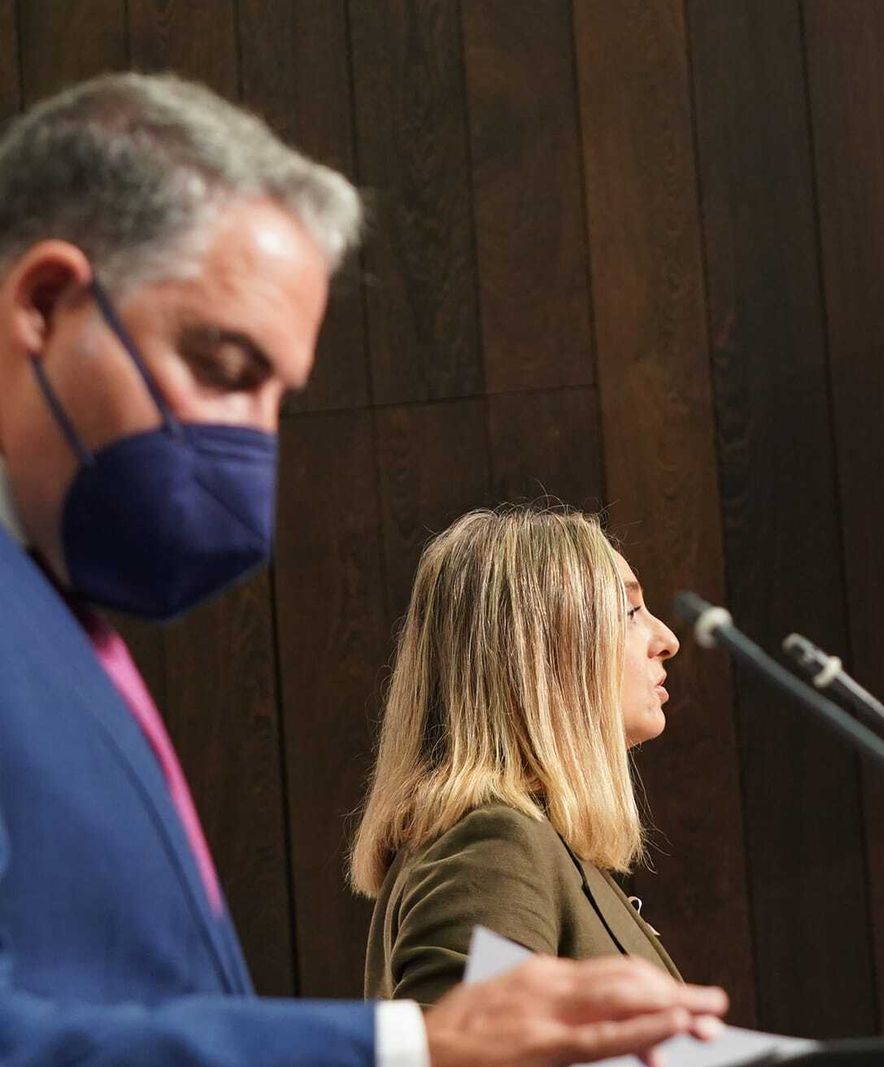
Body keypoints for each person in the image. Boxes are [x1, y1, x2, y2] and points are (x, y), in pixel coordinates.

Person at [0, 72, 726, 1067]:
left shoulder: (53, 614)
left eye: (277, 398)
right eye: (222, 367)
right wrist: (403, 1045)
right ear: (43, 305)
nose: (250, 449)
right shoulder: (493, 842)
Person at [353, 509, 682, 1006]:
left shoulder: (535, 840)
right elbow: (459, 1051)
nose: (666, 641)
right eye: (630, 612)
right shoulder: (495, 843)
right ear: (544, 649)